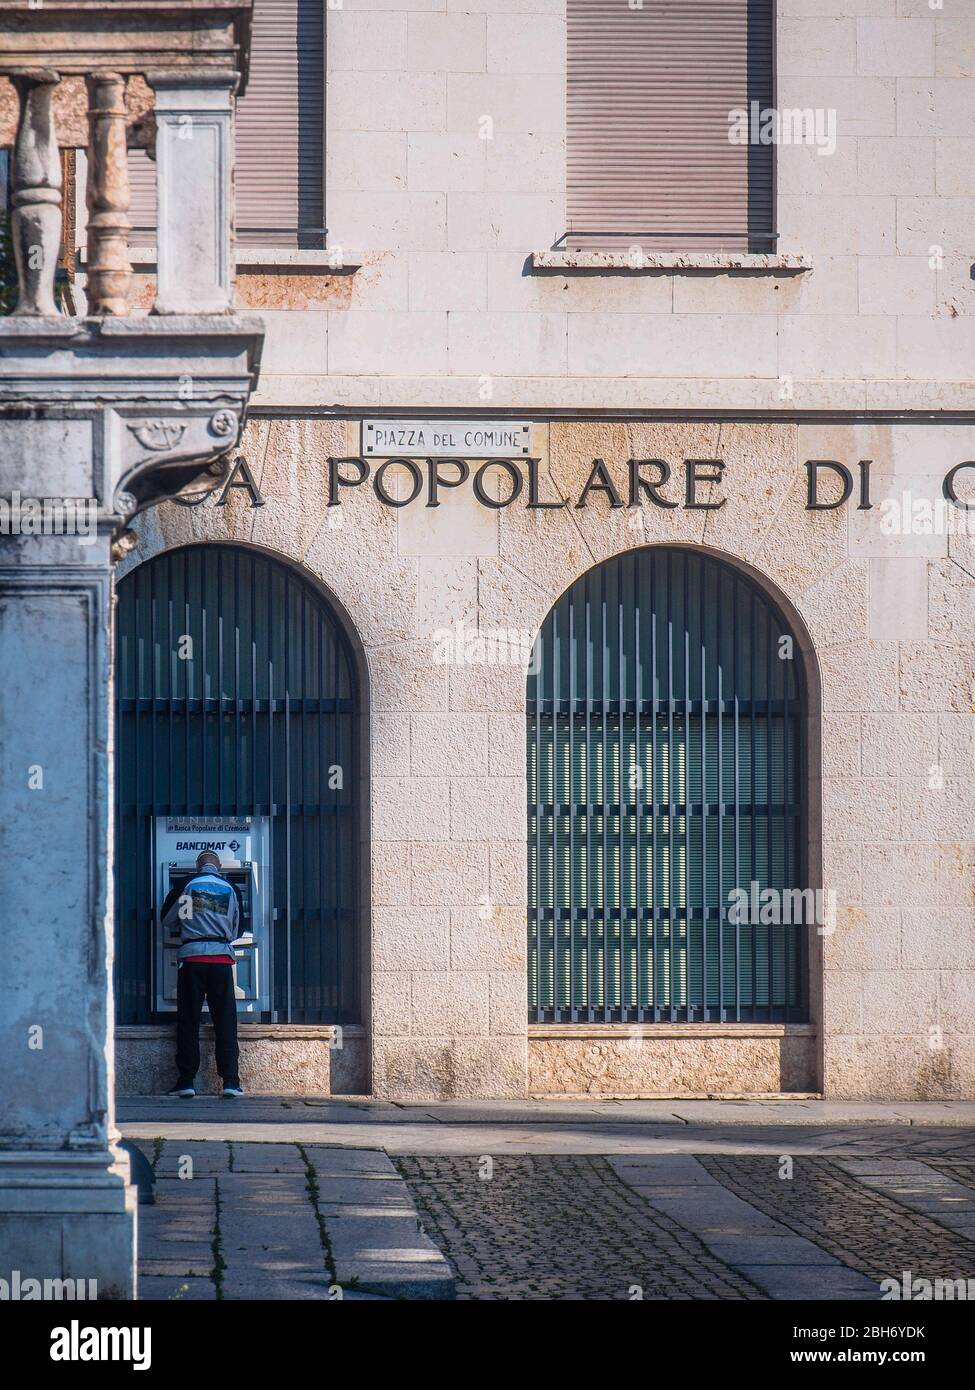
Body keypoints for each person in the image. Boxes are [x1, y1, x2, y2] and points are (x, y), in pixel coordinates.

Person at [162, 850, 244, 1098]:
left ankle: (186, 1081)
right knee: (225, 1020)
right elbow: (239, 929)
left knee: (189, 1020)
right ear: (218, 866)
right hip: (221, 961)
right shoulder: (231, 888)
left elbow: (167, 920)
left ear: (199, 865)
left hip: (192, 958)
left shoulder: (185, 884)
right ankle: (230, 1081)